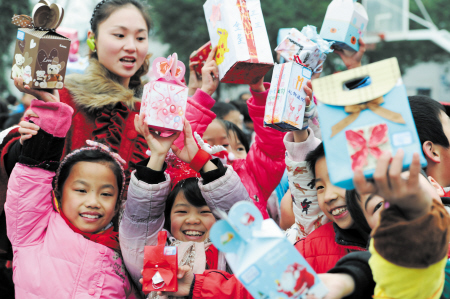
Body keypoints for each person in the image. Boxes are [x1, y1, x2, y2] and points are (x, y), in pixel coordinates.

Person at [0, 0, 219, 256]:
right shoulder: (63, 98)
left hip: (127, 259)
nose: (131, 46)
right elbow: (25, 172)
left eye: (140, 37)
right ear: (92, 38)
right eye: (119, 34)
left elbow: (177, 154)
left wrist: (202, 94)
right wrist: (27, 141)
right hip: (56, 252)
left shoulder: (150, 108)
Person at [5, 99, 136, 298]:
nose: (93, 202)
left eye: (106, 194)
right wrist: (49, 120)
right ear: (58, 193)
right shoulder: (33, 232)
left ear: (118, 204)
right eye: (81, 190)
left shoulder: (125, 256)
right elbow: (31, 180)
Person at [119, 115, 249, 297]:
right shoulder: (153, 250)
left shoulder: (229, 253)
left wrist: (201, 161)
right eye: (181, 211)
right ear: (167, 215)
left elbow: (239, 217)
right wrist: (157, 156)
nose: (193, 220)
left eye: (204, 212)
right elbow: (141, 218)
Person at [201, 78, 286, 219]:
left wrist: (260, 93)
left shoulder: (254, 174)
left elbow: (271, 146)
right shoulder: (193, 175)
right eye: (212, 146)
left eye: (239, 148)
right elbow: (185, 141)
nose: (229, 154)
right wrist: (203, 91)